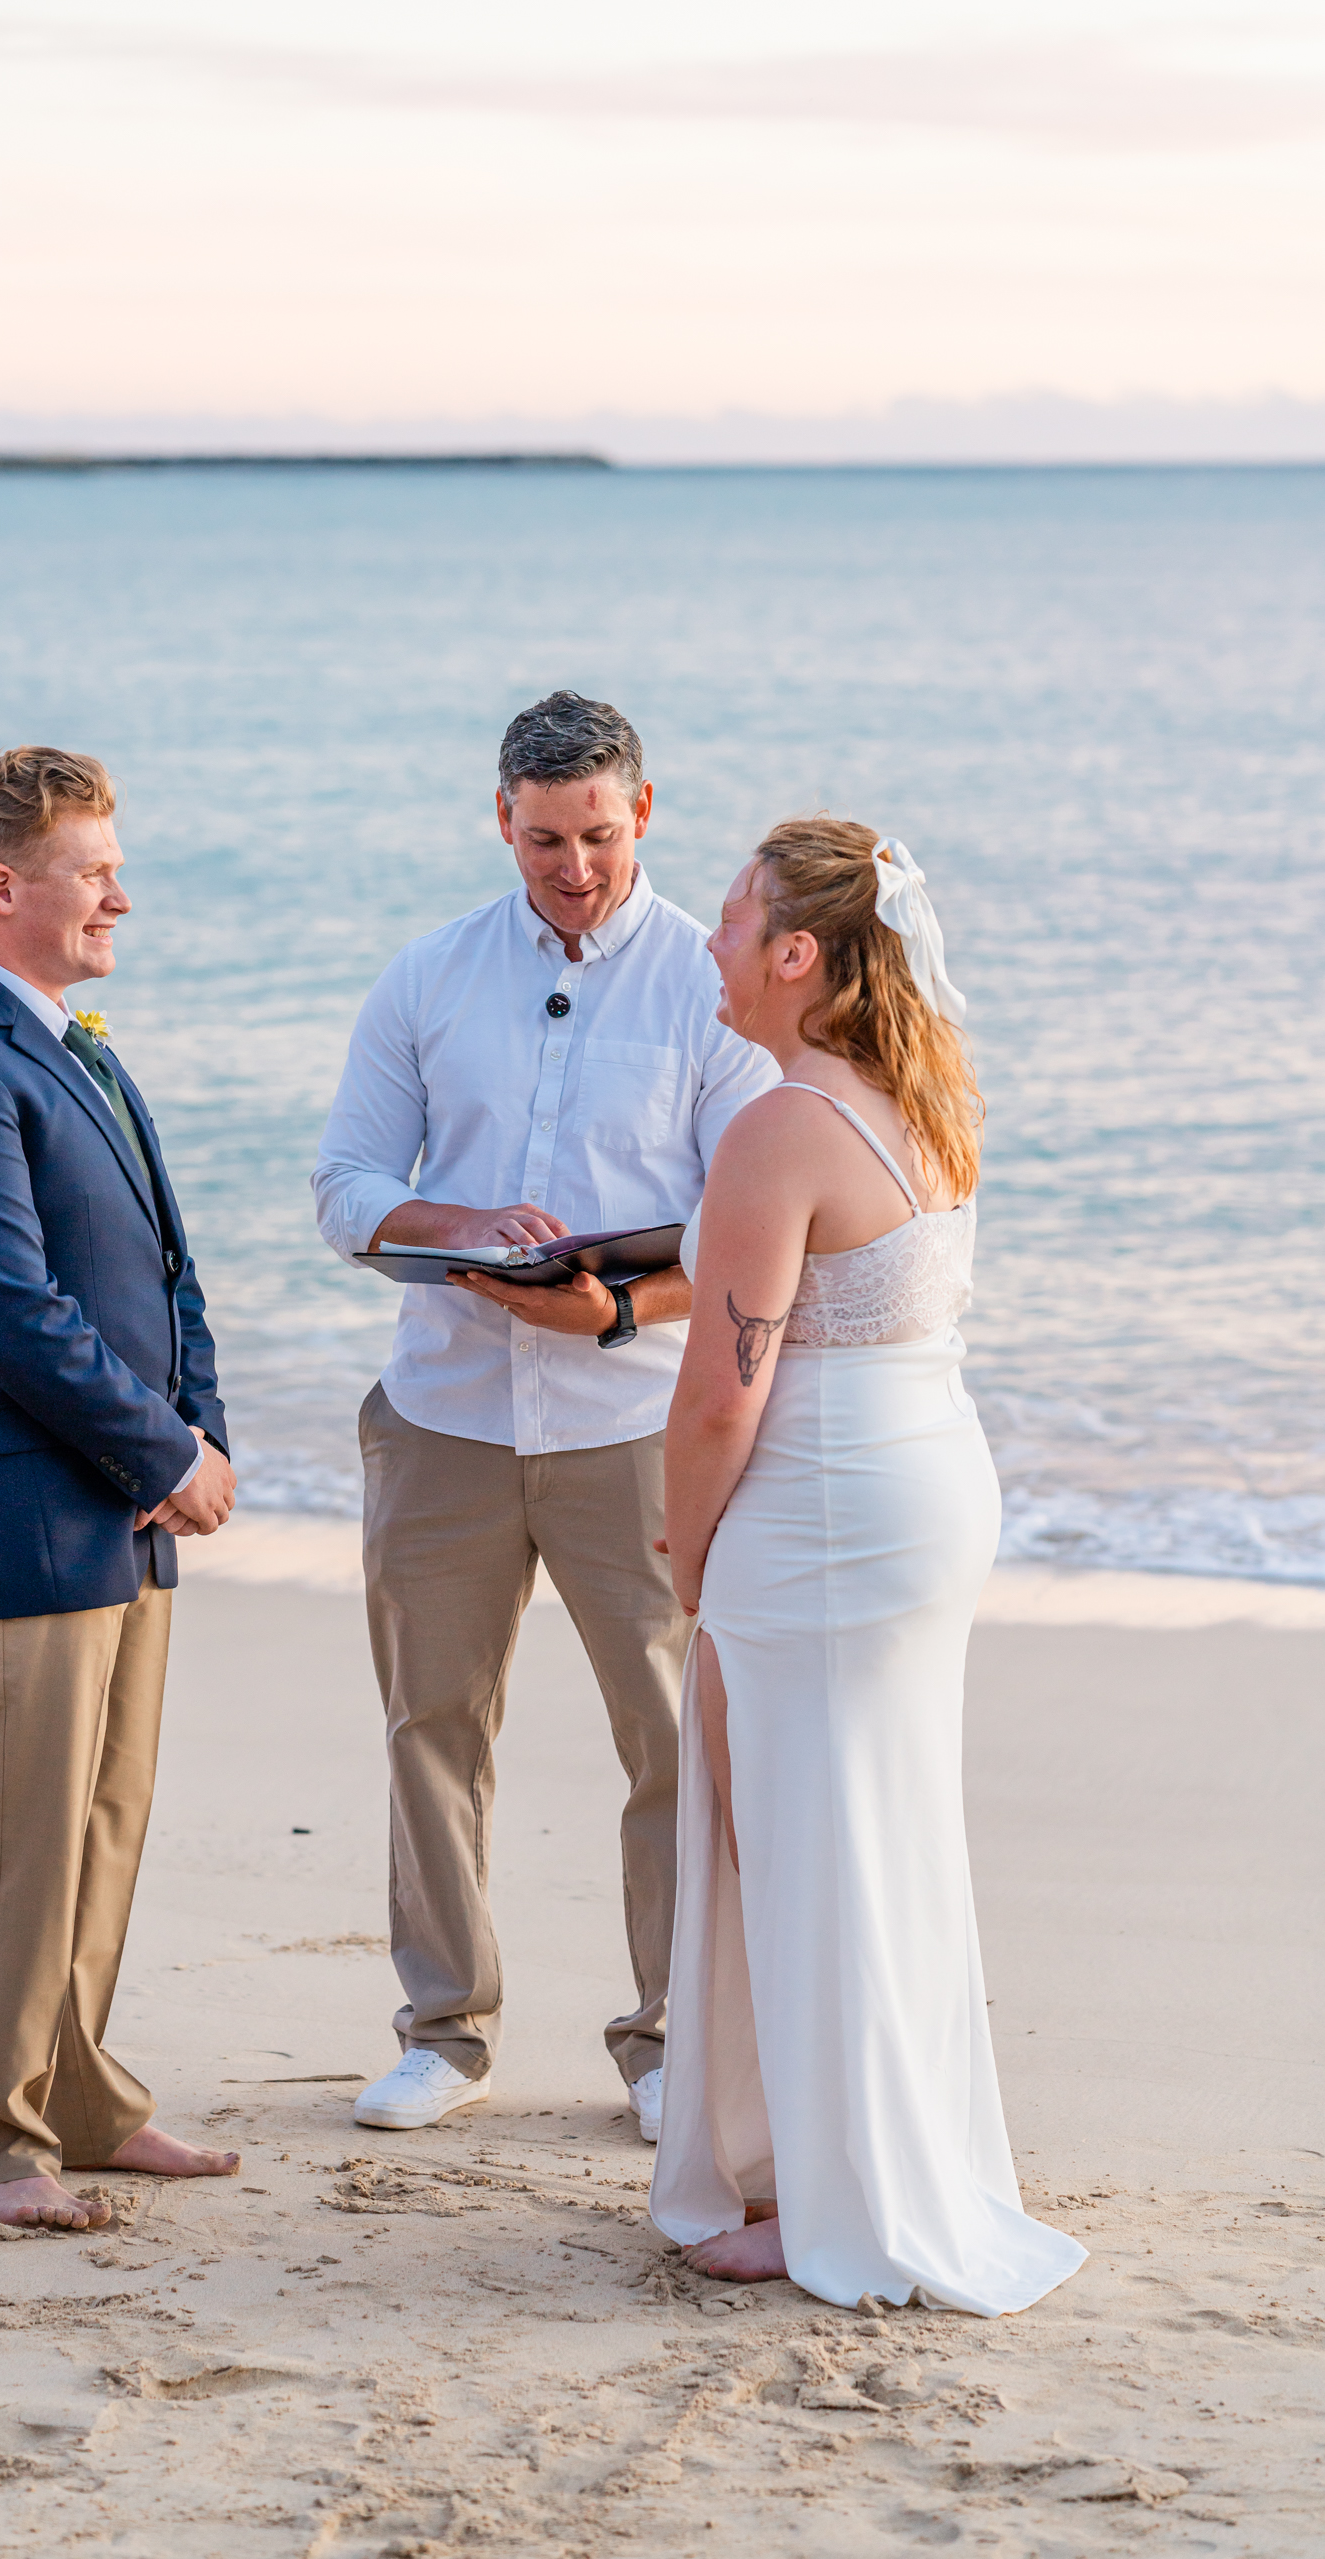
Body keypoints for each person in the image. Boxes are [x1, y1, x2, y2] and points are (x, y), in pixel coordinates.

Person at [313, 692, 778, 2137]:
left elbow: (750, 1228)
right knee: (429, 1726)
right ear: (497, 821)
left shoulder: (715, 991)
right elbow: (346, 1188)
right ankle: (443, 2033)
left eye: (593, 835)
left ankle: (664, 2047)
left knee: (668, 1742)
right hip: (442, 1414)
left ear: (643, 813)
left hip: (631, 1426)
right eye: (539, 840)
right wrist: (462, 1224)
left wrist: (618, 1309)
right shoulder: (429, 975)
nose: (570, 868)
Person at [649, 818, 1085, 2313]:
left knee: (803, 1847)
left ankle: (838, 2197)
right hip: (928, 1485)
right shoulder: (925, 1097)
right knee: (872, 1833)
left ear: (797, 956)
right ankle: (851, 2160)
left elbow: (723, 1391)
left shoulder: (781, 1128)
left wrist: (684, 1550)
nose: (706, 943)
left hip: (825, 1513)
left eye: (728, 921)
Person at [0, 746, 242, 2231]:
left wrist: (196, 1432)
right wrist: (159, 1454)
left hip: (124, 1502)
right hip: (15, 1505)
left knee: (104, 1817)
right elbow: (4, 1309)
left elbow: (160, 1265)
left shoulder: (69, 1036)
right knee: (20, 1834)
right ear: (4, 888)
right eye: (94, 874)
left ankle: (77, 2095)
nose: (119, 899)